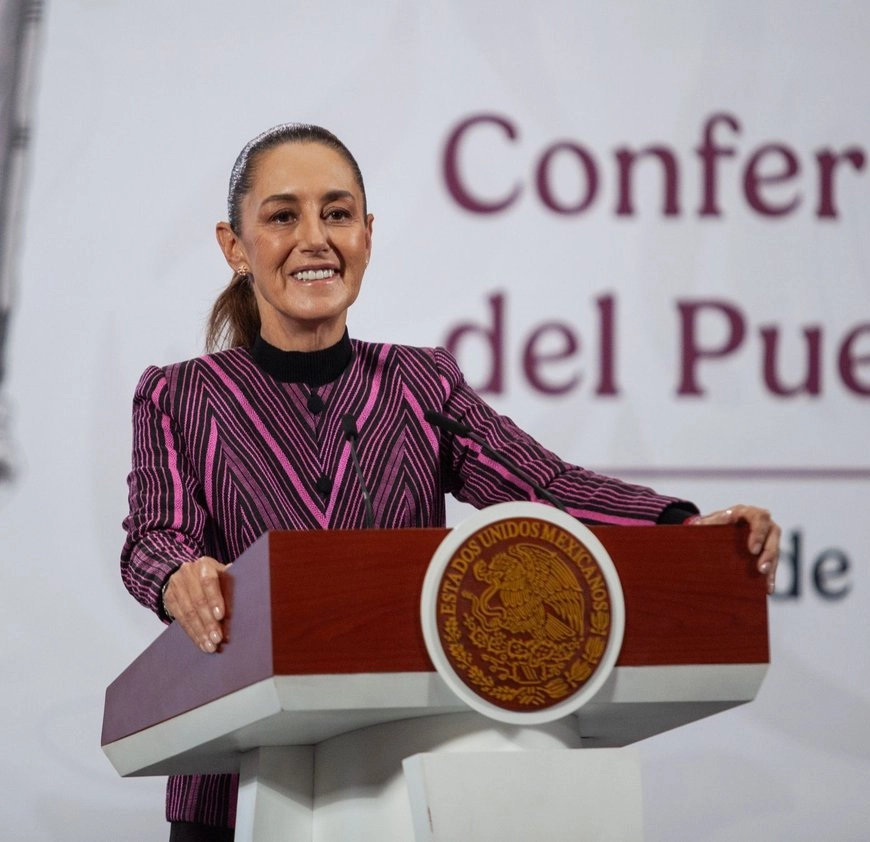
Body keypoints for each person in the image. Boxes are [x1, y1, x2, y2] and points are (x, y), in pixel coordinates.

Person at [120, 123, 780, 841]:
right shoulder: (178, 395)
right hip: (236, 789)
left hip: (403, 780)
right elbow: (154, 539)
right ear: (235, 246)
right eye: (283, 216)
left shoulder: (419, 382)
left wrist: (681, 529)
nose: (315, 237)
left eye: (337, 214)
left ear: (368, 235)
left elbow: (544, 486)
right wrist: (179, 577)